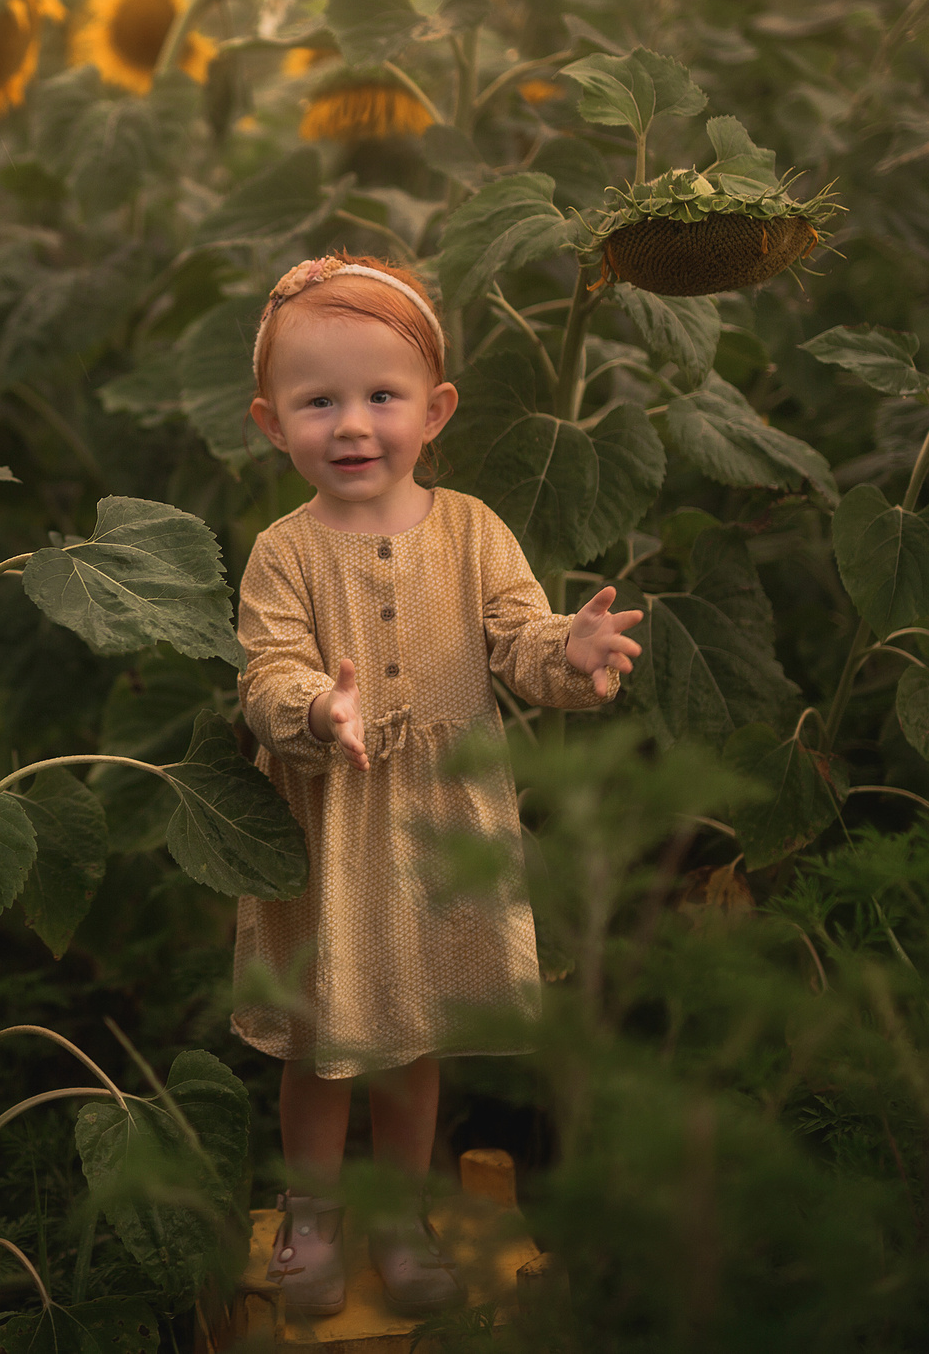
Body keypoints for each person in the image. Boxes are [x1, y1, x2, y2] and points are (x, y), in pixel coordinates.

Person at [230, 253, 642, 1317]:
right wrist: (318, 708)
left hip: (439, 826)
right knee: (324, 1043)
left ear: (435, 409)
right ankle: (314, 1210)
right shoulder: (283, 553)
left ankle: (401, 1209)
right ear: (273, 424)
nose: (353, 424)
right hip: (329, 825)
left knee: (414, 1037)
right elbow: (266, 671)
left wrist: (575, 649)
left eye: (381, 396)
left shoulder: (470, 533)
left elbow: (517, 641)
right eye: (319, 401)